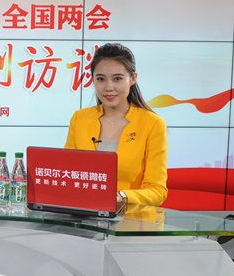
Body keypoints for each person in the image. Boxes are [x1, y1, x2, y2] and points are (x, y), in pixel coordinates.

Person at [64, 43, 168, 207]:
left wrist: (121, 196)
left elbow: (157, 190)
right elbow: (66, 174)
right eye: (101, 79)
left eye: (117, 79)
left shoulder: (153, 123)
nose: (109, 87)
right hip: (82, 214)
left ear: (133, 79)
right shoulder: (79, 118)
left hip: (130, 216)